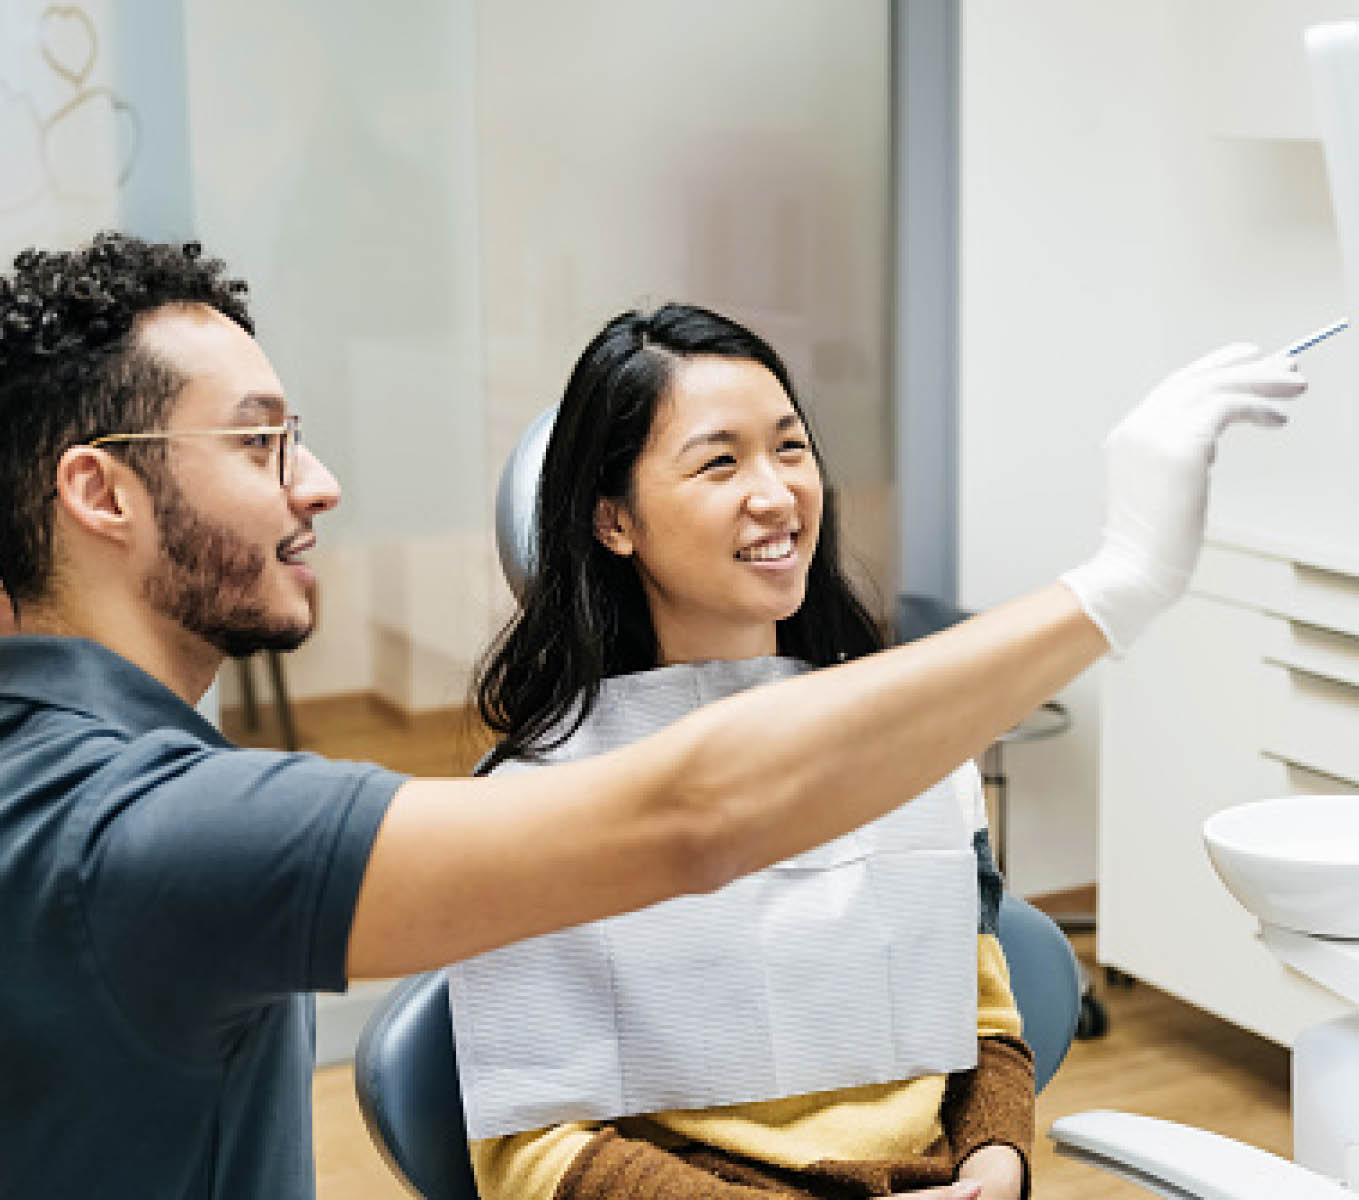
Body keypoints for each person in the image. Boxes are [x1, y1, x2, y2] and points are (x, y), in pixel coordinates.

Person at [0, 232, 1302, 1200]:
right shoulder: (147, 831)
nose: (323, 486)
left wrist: (991, 1163)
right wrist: (1115, 585)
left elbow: (971, 1007)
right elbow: (698, 812)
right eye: (262, 443)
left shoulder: (123, 780)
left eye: (789, 446)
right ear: (98, 494)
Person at [455, 304, 1030, 1200]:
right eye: (719, 461)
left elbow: (986, 1029)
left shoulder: (904, 747)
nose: (775, 493)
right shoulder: (536, 801)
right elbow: (528, 1154)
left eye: (790, 448)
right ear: (615, 522)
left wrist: (997, 1166)